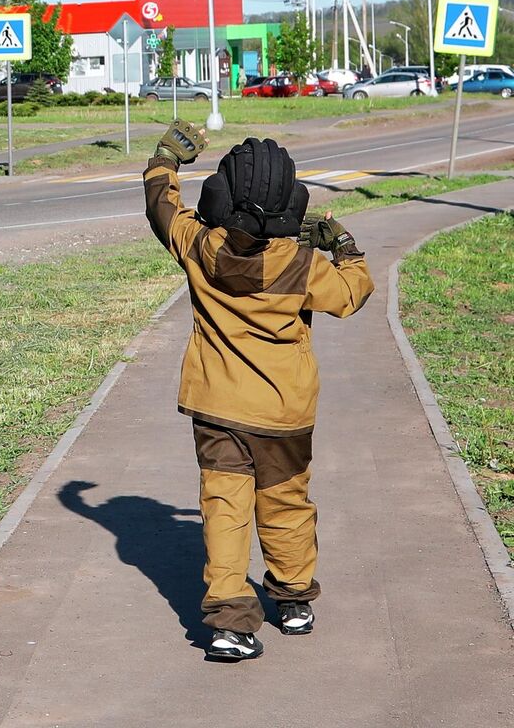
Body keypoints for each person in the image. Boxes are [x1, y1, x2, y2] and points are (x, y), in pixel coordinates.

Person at [144, 122, 373, 662]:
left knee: (224, 506)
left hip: (217, 406)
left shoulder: (200, 248)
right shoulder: (303, 265)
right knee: (287, 502)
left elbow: (161, 208)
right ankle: (293, 600)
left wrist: (165, 160)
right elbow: (352, 293)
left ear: (222, 197)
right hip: (285, 411)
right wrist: (341, 242)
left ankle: (230, 624)